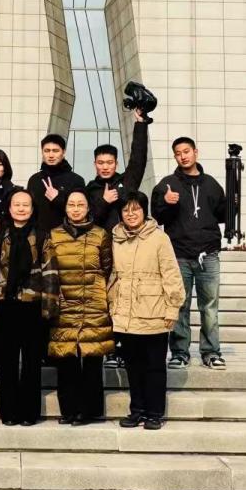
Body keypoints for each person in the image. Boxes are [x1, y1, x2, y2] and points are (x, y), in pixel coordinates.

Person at [108, 192, 185, 430]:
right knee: (133, 366)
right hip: (125, 314)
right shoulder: (116, 238)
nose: (131, 214)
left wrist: (172, 308)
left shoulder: (159, 238)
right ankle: (137, 410)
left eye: (136, 209)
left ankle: (154, 413)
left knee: (154, 367)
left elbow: (171, 274)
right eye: (126, 210)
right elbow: (113, 276)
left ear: (145, 211)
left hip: (154, 312)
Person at [151, 137, 228, 370]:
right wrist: (166, 202)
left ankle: (211, 352)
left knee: (210, 307)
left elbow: (223, 215)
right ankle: (179, 352)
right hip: (179, 254)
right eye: (178, 153)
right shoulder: (167, 184)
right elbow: (157, 216)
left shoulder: (211, 184)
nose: (183, 156)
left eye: (186, 151)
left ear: (195, 152)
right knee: (179, 305)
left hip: (208, 254)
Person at [85, 108, 151, 369]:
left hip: (128, 253)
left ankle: (125, 349)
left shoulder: (126, 182)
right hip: (101, 255)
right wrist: (103, 201)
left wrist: (141, 124)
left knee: (127, 301)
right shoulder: (89, 189)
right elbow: (88, 219)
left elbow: (138, 159)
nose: (105, 167)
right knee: (106, 303)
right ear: (95, 164)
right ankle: (110, 348)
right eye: (100, 163)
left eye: (109, 163)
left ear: (115, 164)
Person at [42, 188, 113, 425]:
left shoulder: (100, 235)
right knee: (66, 359)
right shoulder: (53, 235)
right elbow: (49, 271)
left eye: (80, 205)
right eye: (71, 205)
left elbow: (107, 268)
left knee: (92, 359)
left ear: (88, 208)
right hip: (64, 304)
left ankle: (90, 411)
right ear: (65, 208)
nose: (75, 209)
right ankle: (69, 410)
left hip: (93, 304)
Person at [0, 189, 49, 426]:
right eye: (17, 204)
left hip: (33, 305)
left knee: (32, 362)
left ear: (32, 209)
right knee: (8, 361)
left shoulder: (41, 235)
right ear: (9, 208)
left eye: (26, 205)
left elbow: (50, 273)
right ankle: (9, 412)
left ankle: (29, 413)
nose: (21, 208)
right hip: (7, 304)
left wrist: (49, 308)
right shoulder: (0, 235)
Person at [25, 134, 85, 232]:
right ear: (42, 152)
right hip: (39, 236)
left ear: (63, 152)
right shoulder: (34, 180)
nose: (51, 155)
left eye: (55, 151)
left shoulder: (76, 180)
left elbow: (81, 212)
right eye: (47, 151)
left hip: (67, 236)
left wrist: (58, 199)